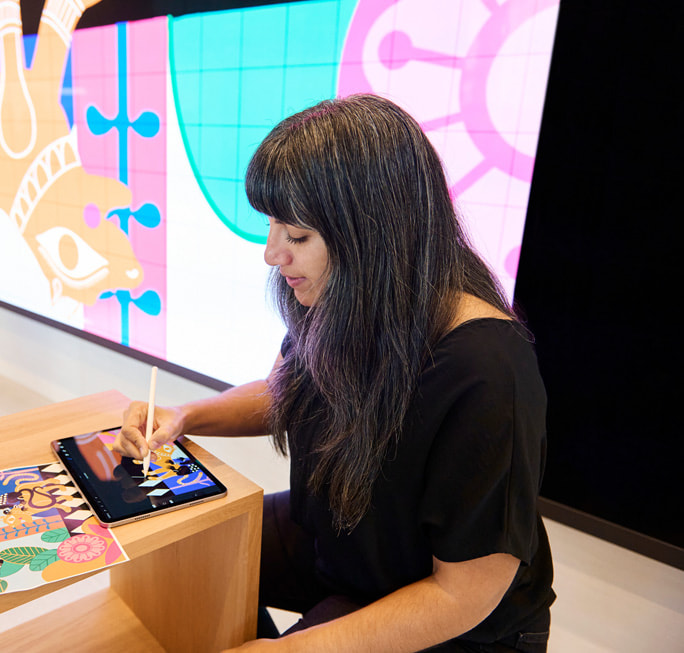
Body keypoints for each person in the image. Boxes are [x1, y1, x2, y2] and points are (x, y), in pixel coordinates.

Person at [115, 94, 554, 652]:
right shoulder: (341, 297)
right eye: (272, 227)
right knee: (189, 545)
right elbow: (285, 392)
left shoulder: (486, 372)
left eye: (297, 236)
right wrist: (184, 416)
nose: (272, 254)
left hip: (451, 614)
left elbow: (463, 593)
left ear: (374, 234)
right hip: (345, 539)